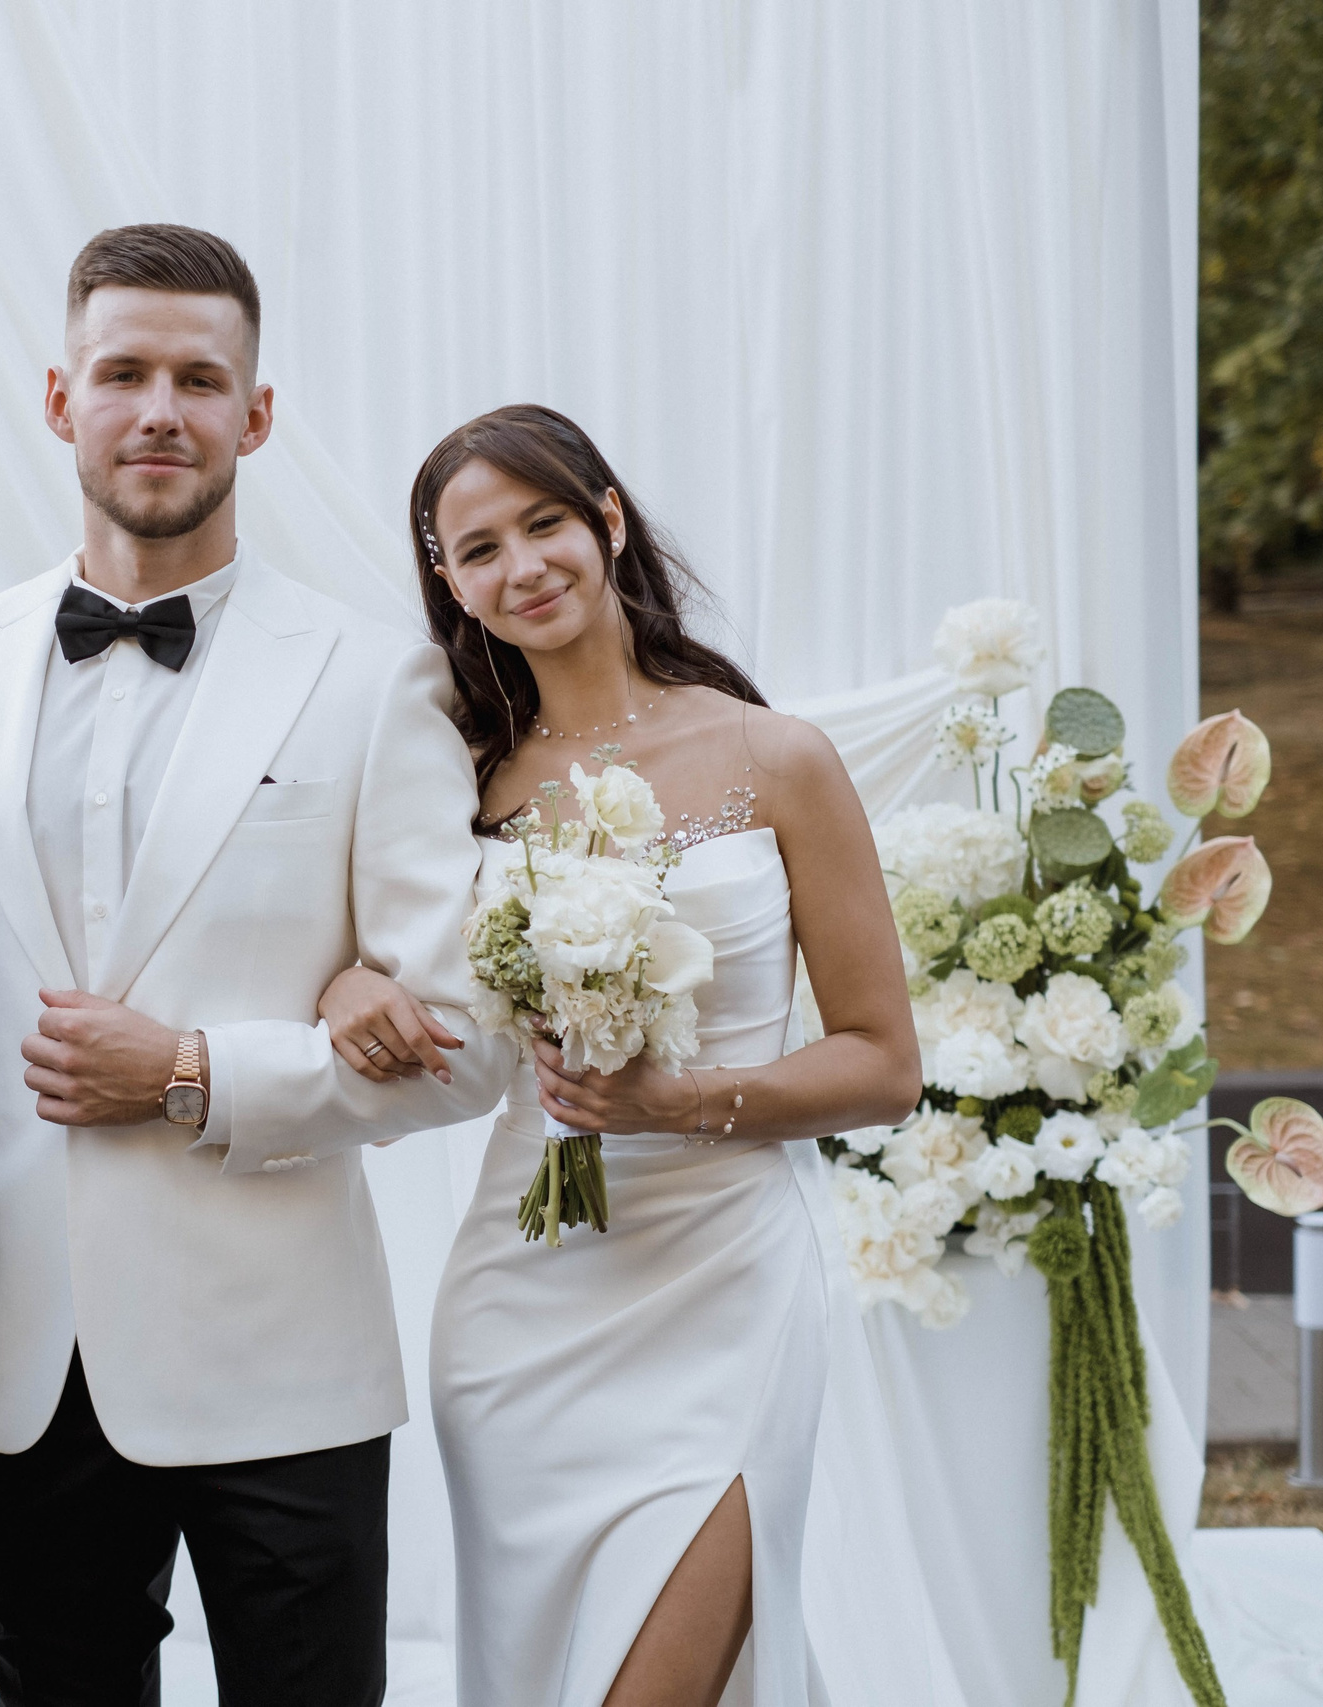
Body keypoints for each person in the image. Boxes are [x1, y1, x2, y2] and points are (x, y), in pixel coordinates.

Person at [0, 224, 516, 1707]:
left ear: (257, 414)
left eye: (199, 377)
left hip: (281, 1356)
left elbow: (469, 1041)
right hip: (17, 1368)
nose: (160, 406)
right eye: (125, 372)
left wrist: (186, 1071)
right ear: (59, 398)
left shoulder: (377, 678)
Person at [321, 404, 922, 1707]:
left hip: (729, 1283)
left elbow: (883, 1063)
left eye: (544, 522)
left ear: (607, 518)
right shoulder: (457, 782)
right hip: (523, 1304)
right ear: (448, 581)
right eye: (478, 548)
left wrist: (674, 1099)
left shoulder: (776, 756)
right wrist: (347, 974)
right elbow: (369, 949)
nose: (521, 565)